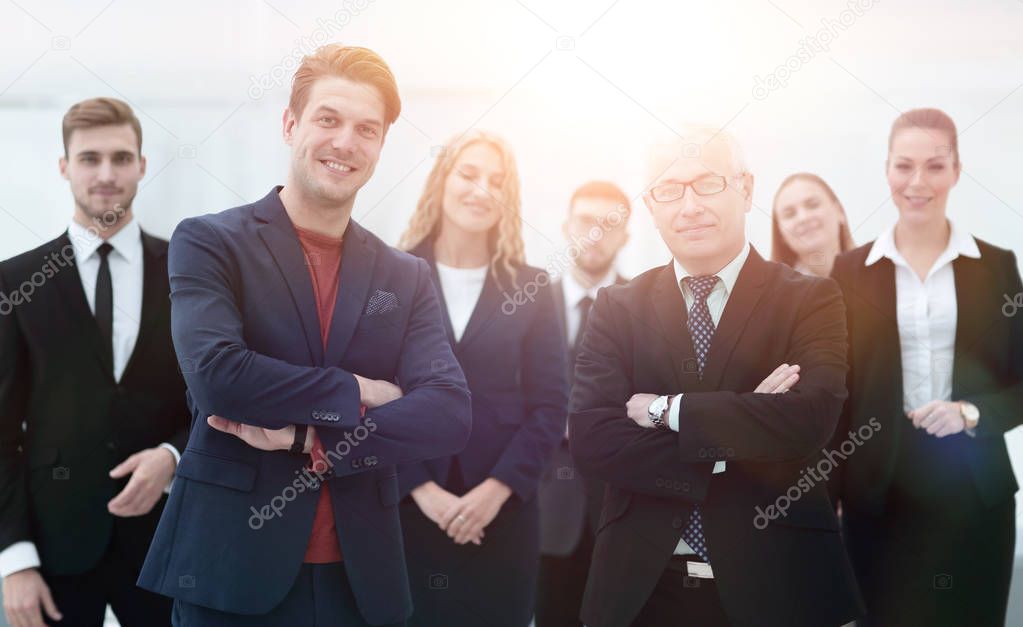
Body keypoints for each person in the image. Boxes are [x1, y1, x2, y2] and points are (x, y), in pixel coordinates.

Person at [136, 45, 472, 626]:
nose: (346, 142)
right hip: (229, 571)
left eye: (367, 129)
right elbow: (218, 376)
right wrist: (360, 391)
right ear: (290, 125)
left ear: (381, 146)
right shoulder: (210, 243)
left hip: (361, 583)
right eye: (328, 119)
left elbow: (449, 411)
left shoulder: (405, 275)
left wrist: (304, 438)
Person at [568, 125, 863, 627]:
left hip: (779, 585)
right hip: (643, 590)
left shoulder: (810, 299)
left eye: (707, 183)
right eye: (669, 190)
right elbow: (594, 439)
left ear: (745, 189)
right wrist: (747, 425)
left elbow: (810, 420)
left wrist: (667, 411)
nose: (689, 206)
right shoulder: (616, 308)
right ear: (652, 205)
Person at [830, 108, 1023, 627]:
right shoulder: (849, 272)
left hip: (973, 488)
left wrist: (971, 412)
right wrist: (828, 493)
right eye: (904, 166)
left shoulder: (997, 266)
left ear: (957, 171)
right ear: (887, 171)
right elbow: (837, 395)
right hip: (876, 492)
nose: (918, 182)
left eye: (935, 166)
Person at [0, 97, 188, 627]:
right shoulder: (14, 282)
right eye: (89, 158)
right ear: (64, 167)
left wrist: (174, 455)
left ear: (142, 166)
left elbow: (215, 398)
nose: (106, 174)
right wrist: (14, 560)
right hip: (54, 555)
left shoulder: (189, 271)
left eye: (121, 158)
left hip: (165, 551)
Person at [396, 130, 568, 627]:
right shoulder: (393, 275)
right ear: (441, 182)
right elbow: (371, 401)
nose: (481, 189)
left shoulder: (531, 287)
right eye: (468, 174)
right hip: (410, 508)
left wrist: (493, 494)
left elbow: (550, 407)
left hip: (503, 515)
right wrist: (425, 495)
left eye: (497, 181)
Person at [535, 180, 630, 627]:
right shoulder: (530, 305)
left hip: (625, 516)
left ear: (626, 236)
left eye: (609, 224)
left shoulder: (651, 308)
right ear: (566, 227)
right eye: (586, 221)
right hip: (542, 512)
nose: (596, 233)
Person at [771, 172, 856, 277]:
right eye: (790, 214)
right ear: (780, 234)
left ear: (839, 211)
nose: (803, 218)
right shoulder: (777, 292)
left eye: (813, 205)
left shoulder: (878, 274)